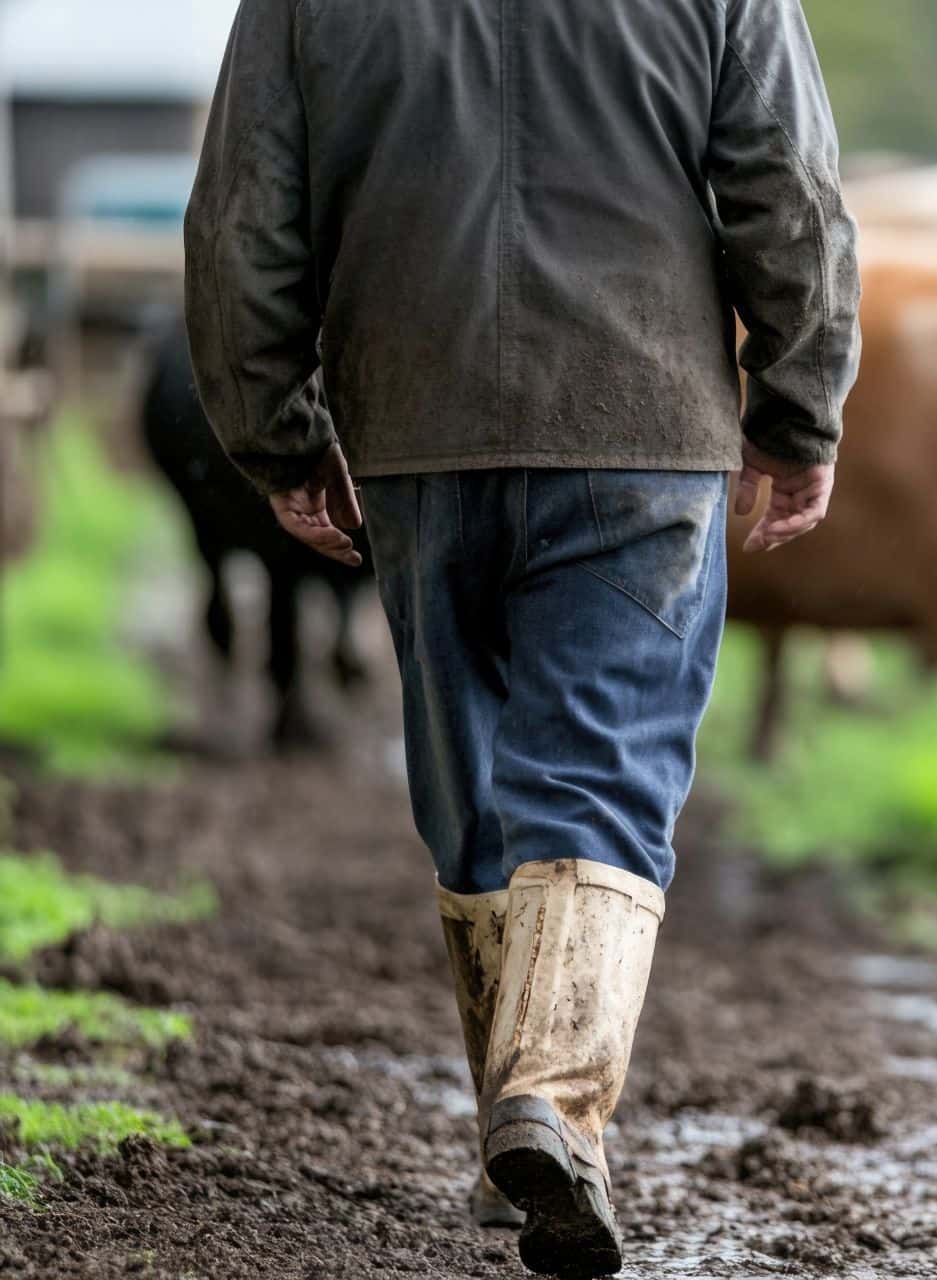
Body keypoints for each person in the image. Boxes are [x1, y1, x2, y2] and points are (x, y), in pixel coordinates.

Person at [182, 1, 860, 1275]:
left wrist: (274, 427)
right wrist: (799, 402)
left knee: (470, 781)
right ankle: (549, 1102)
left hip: (415, 433)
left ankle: (520, 1130)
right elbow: (792, 189)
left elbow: (241, 216)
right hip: (642, 427)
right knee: (600, 766)